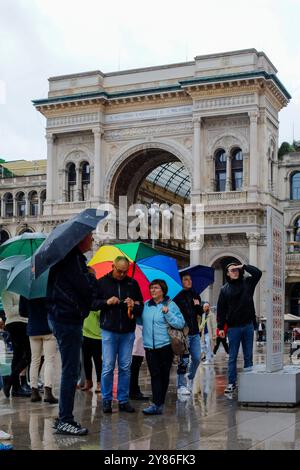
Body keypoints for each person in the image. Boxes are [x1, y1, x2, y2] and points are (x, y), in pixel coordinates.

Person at [47, 232, 98, 435]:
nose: (93, 239)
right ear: (80, 239)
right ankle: (65, 420)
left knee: (71, 369)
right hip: (67, 319)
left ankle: (64, 418)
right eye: (90, 236)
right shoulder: (74, 261)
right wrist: (91, 275)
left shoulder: (69, 259)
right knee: (70, 371)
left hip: (63, 317)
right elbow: (88, 290)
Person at [95, 256, 144, 414]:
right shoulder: (102, 282)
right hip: (109, 329)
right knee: (108, 366)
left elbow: (140, 307)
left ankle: (123, 400)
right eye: (119, 271)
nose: (122, 274)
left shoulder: (132, 283)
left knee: (125, 367)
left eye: (125, 271)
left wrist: (133, 305)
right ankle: (107, 400)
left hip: (128, 330)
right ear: (112, 266)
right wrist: (106, 302)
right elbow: (92, 303)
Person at [138, 279, 185, 415]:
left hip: (165, 346)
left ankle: (159, 403)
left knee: (163, 375)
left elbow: (180, 323)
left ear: (163, 290)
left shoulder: (171, 305)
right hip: (149, 347)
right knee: (155, 374)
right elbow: (141, 320)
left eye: (156, 288)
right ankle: (157, 404)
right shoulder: (146, 305)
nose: (152, 290)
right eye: (151, 288)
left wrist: (167, 313)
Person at [217, 263, 262, 394]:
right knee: (232, 357)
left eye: (237, 269)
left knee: (248, 356)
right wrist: (220, 327)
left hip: (248, 325)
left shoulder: (248, 282)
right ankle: (231, 383)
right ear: (227, 273)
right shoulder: (224, 289)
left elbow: (258, 273)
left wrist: (244, 266)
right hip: (233, 328)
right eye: (232, 270)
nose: (235, 271)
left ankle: (249, 381)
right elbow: (221, 310)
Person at [19, 296, 58, 404]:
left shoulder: (27, 288)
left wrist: (33, 312)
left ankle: (34, 392)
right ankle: (48, 392)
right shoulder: (49, 285)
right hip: (48, 328)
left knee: (34, 360)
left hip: (33, 328)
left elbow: (22, 312)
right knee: (49, 360)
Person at [173, 273, 202, 396]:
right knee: (183, 361)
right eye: (186, 279)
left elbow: (200, 312)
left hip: (195, 332)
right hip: (183, 333)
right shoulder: (176, 297)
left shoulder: (195, 295)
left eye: (190, 279)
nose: (189, 281)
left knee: (196, 358)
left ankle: (190, 376)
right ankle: (181, 385)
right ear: (181, 282)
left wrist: (198, 306)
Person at [2, 290, 31, 398]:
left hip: (25, 323)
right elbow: (9, 311)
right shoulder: (6, 292)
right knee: (22, 355)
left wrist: (23, 306)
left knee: (25, 355)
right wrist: (23, 306)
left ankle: (12, 384)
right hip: (14, 325)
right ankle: (14, 385)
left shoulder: (22, 290)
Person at [81, 309, 102, 393]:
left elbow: (101, 313)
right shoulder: (86, 298)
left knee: (97, 360)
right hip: (85, 333)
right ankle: (88, 381)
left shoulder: (97, 299)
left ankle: (99, 383)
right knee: (86, 359)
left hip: (97, 335)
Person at [129, 324, 148, 400]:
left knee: (136, 363)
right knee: (135, 363)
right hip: (138, 327)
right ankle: (133, 390)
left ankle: (134, 389)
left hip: (141, 327)